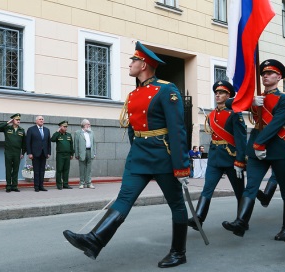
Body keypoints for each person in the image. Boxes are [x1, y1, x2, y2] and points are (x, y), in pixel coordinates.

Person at [63, 41, 190, 268]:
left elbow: (177, 129)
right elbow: (132, 129)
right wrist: (136, 150)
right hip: (139, 156)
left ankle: (179, 252)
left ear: (144, 64)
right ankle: (95, 240)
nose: (129, 64)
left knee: (176, 204)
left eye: (133, 60)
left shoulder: (167, 89)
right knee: (124, 198)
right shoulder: (134, 94)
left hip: (163, 156)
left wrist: (182, 166)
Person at [222, 59, 285, 239]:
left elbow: (276, 124)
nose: (265, 76)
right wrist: (249, 101)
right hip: (256, 150)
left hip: (277, 148)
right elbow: (230, 103)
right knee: (251, 187)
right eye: (263, 74)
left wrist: (259, 144)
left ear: (279, 77)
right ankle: (241, 222)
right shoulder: (255, 98)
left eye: (270, 73)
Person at [187, 80, 247, 232]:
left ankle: (242, 221)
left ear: (229, 95)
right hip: (215, 158)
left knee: (239, 191)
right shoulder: (212, 114)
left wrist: (240, 161)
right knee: (207, 188)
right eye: (216, 93)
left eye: (221, 93)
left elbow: (241, 139)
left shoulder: (235, 114)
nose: (218, 95)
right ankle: (198, 218)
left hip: (231, 158)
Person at [0, 113, 26, 192]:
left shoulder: (21, 130)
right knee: (8, 169)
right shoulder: (7, 128)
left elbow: (24, 143)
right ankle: (8, 186)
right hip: (8, 152)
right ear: (13, 120)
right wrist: (7, 123)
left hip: (17, 152)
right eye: (17, 120)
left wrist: (23, 153)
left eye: (19, 120)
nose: (18, 121)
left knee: (16, 169)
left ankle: (14, 186)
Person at [26, 116, 51, 192]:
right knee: (36, 171)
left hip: (44, 153)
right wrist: (29, 153)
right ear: (36, 121)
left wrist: (49, 152)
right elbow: (28, 142)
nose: (41, 120)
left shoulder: (47, 130)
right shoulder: (31, 129)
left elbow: (48, 142)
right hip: (35, 153)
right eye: (40, 119)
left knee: (42, 170)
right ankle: (36, 186)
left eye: (42, 119)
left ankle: (41, 186)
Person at [51, 120, 74, 190]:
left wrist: (71, 154)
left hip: (67, 155)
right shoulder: (58, 135)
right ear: (60, 127)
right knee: (59, 170)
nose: (65, 128)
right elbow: (52, 139)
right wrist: (57, 132)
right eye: (64, 126)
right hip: (60, 155)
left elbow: (71, 145)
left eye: (66, 127)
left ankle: (66, 184)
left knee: (66, 170)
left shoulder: (69, 135)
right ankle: (59, 185)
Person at [74, 119, 96, 189]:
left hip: (90, 151)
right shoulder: (78, 133)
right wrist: (76, 154)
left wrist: (94, 153)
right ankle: (81, 183)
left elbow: (94, 143)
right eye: (88, 124)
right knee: (82, 168)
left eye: (89, 124)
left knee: (89, 168)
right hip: (82, 152)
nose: (89, 125)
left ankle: (89, 183)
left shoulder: (91, 132)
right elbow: (76, 144)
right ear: (84, 125)